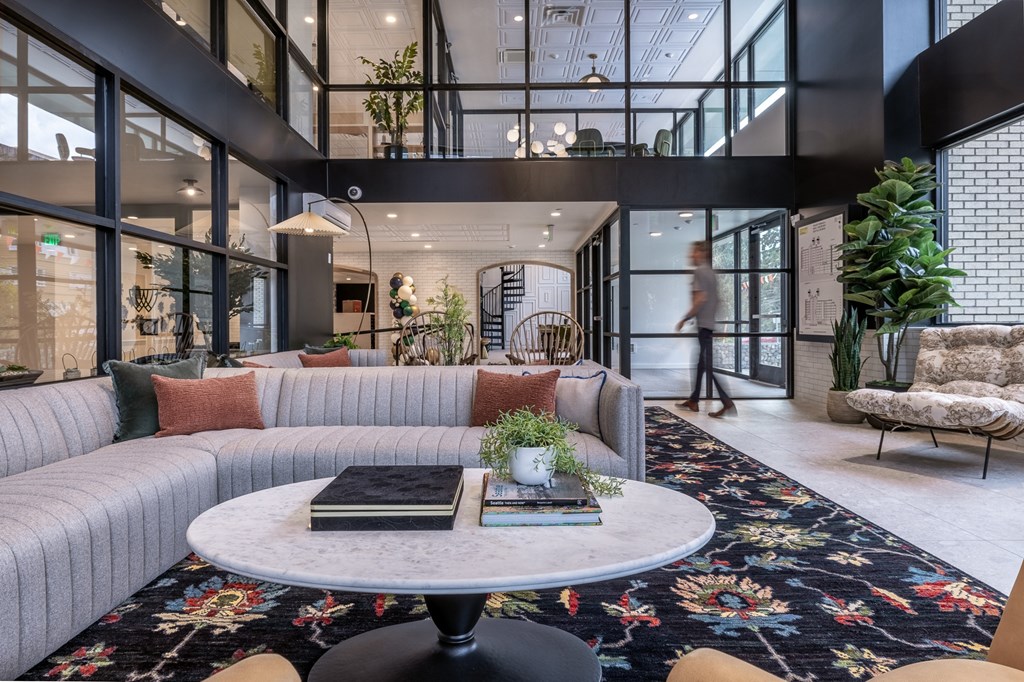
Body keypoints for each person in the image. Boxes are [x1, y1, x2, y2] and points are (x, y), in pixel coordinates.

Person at [674, 240, 736, 418]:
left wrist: (685, 318)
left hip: (704, 326)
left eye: (693, 252)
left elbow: (701, 298)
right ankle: (694, 400)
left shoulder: (700, 271)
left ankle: (727, 402)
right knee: (701, 364)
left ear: (701, 253)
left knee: (707, 365)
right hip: (708, 324)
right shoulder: (711, 273)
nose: (691, 255)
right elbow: (718, 300)